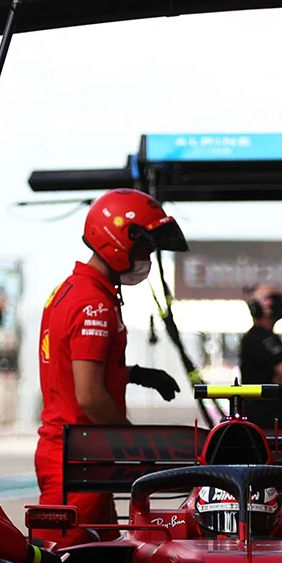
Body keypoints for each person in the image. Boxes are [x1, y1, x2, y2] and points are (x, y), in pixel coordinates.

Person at [35, 188, 186, 544]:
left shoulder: (71, 290)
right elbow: (88, 394)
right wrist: (132, 444)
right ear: (119, 242)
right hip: (81, 461)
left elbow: (74, 370)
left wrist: (135, 375)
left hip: (78, 455)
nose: (147, 256)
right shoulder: (94, 304)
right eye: (144, 247)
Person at [238, 285, 282, 429]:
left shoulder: (271, 339)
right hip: (262, 426)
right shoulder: (260, 339)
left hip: (272, 426)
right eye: (269, 298)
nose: (275, 303)